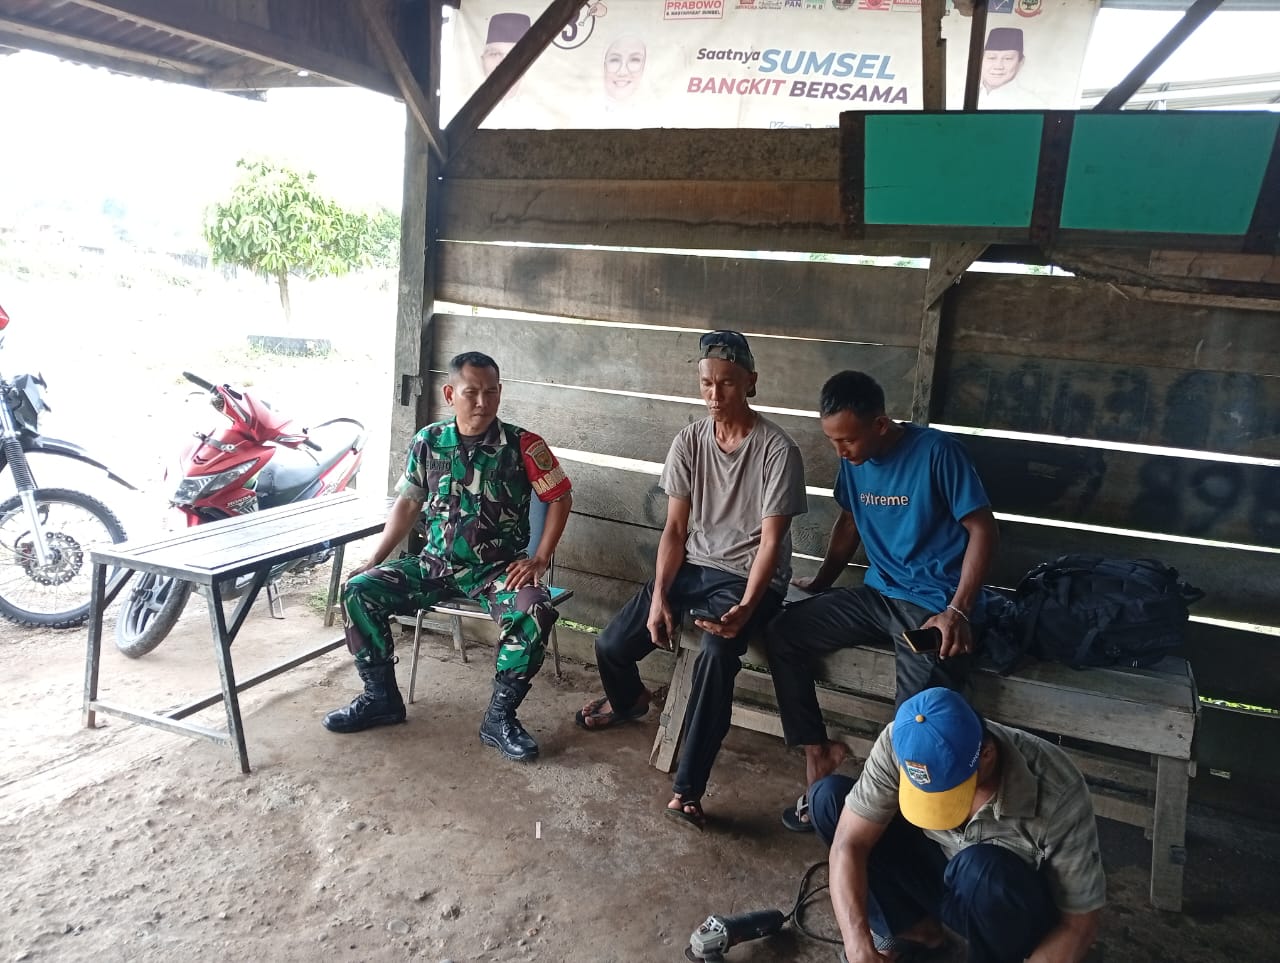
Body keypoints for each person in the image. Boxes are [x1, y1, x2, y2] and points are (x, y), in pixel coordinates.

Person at [575, 330, 807, 829]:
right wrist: (661, 596)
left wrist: (747, 606)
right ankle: (630, 701)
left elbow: (770, 544)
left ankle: (688, 790)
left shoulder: (777, 450)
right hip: (694, 569)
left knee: (717, 658)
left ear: (751, 382)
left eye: (727, 383)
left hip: (748, 578)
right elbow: (676, 531)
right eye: (706, 383)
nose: (715, 394)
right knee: (611, 645)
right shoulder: (689, 441)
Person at [764, 370, 1000, 830]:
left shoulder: (937, 453)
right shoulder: (854, 460)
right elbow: (849, 523)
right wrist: (822, 583)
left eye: (848, 440)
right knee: (783, 633)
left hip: (931, 608)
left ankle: (888, 821)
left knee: (917, 719)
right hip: (878, 596)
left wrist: (957, 611)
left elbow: (984, 531)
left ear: (880, 424)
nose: (841, 451)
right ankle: (819, 755)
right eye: (833, 440)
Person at [323, 352, 573, 764]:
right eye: (471, 392)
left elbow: (560, 497)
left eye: (491, 392)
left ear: (500, 392)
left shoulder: (524, 445)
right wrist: (375, 559)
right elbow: (408, 503)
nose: (482, 402)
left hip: (496, 570)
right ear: (450, 394)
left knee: (535, 610)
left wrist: (540, 558)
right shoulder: (428, 441)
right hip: (433, 565)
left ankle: (500, 718)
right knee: (358, 590)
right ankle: (380, 698)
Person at [811, 687, 1104, 963]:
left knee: (983, 873)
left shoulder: (1057, 788)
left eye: (948, 791)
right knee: (828, 800)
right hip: (943, 873)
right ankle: (917, 933)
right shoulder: (904, 743)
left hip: (1006, 905)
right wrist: (857, 944)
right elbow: (849, 843)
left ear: (986, 755)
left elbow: (1078, 925)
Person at [479, 12, 532, 128]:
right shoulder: (461, 107)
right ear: (482, 60)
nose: (503, 64)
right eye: (495, 54)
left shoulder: (537, 112)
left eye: (515, 55)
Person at [978, 27, 1047, 108]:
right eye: (991, 58)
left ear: (1021, 63)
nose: (998, 66)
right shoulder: (967, 94)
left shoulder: (1033, 103)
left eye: (1008, 58)